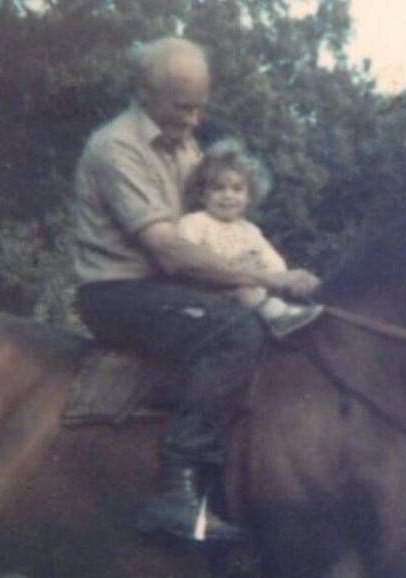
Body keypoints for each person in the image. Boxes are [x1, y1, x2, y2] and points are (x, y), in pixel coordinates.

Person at [72, 36, 320, 543]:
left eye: (200, 106)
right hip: (120, 292)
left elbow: (212, 229)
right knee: (234, 331)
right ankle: (175, 491)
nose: (194, 119)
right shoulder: (116, 148)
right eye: (182, 106)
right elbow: (170, 250)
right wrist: (271, 279)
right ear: (145, 92)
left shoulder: (187, 145)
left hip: (172, 289)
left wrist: (254, 263)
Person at [179, 138, 322, 338]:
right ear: (203, 195)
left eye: (237, 189)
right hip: (211, 291)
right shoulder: (195, 222)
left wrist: (283, 277)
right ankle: (277, 318)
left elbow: (274, 264)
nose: (228, 196)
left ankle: (279, 311)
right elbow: (188, 258)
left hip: (255, 291)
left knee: (267, 287)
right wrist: (230, 266)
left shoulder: (249, 230)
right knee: (244, 289)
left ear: (248, 196)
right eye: (219, 188)